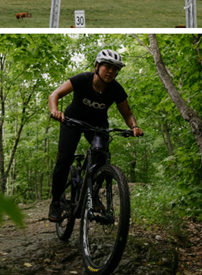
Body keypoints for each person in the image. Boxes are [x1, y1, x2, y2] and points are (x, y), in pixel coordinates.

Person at [47, 49, 143, 222]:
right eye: (108, 67)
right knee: (65, 158)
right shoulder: (83, 79)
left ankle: (93, 192)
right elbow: (54, 94)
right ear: (97, 66)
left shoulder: (115, 89)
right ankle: (55, 202)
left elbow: (127, 113)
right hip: (72, 121)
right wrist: (55, 111)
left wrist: (134, 126)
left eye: (115, 69)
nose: (112, 71)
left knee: (101, 155)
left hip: (97, 126)